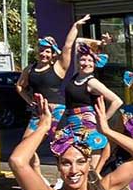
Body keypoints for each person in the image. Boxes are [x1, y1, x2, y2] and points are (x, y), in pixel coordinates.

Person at [52, 15, 121, 172]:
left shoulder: (92, 82)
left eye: (90, 61)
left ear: (95, 64)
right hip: (71, 123)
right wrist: (75, 26)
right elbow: (69, 46)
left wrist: (102, 119)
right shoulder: (76, 75)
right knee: (76, 163)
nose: (86, 63)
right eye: (83, 60)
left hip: (89, 127)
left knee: (90, 170)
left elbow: (117, 101)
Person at [16, 31, 74, 182]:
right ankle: (38, 177)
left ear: (53, 53)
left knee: (60, 146)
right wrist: (29, 100)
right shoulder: (30, 69)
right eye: (41, 50)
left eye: (47, 51)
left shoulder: (58, 67)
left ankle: (63, 178)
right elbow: (20, 86)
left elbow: (67, 48)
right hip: (39, 112)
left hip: (57, 111)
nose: (44, 54)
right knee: (26, 144)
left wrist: (75, 27)